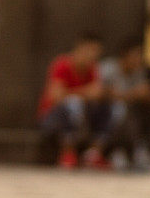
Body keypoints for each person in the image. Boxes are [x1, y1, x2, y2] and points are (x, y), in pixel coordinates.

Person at [36, 32, 113, 170]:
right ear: (80, 48)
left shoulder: (92, 69)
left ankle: (94, 154)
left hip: (81, 118)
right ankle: (67, 153)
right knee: (73, 103)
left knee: (106, 106)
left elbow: (96, 93)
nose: (93, 55)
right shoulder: (62, 65)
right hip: (53, 118)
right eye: (90, 50)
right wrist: (84, 92)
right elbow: (56, 97)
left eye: (96, 52)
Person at [99, 39, 150, 171]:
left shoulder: (139, 73)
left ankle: (141, 150)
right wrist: (133, 94)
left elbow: (145, 95)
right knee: (120, 109)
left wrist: (149, 95)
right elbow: (103, 93)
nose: (138, 60)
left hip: (131, 114)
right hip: (105, 113)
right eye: (135, 55)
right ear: (125, 55)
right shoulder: (108, 68)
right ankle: (116, 151)